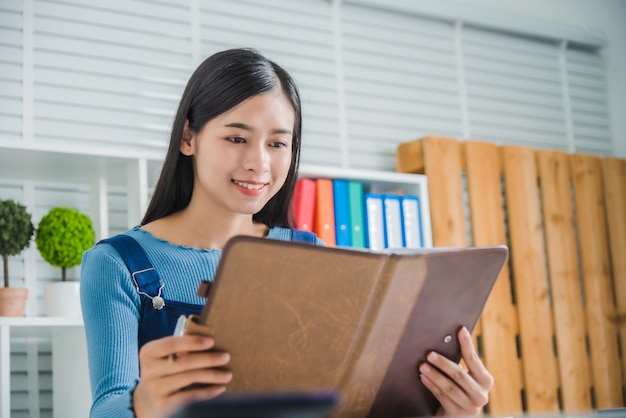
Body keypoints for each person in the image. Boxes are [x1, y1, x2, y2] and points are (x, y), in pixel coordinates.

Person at [80, 48, 493, 418]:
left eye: (278, 144)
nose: (258, 164)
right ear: (189, 137)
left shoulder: (310, 253)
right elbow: (108, 407)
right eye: (237, 138)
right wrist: (146, 404)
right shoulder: (117, 263)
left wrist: (451, 414)